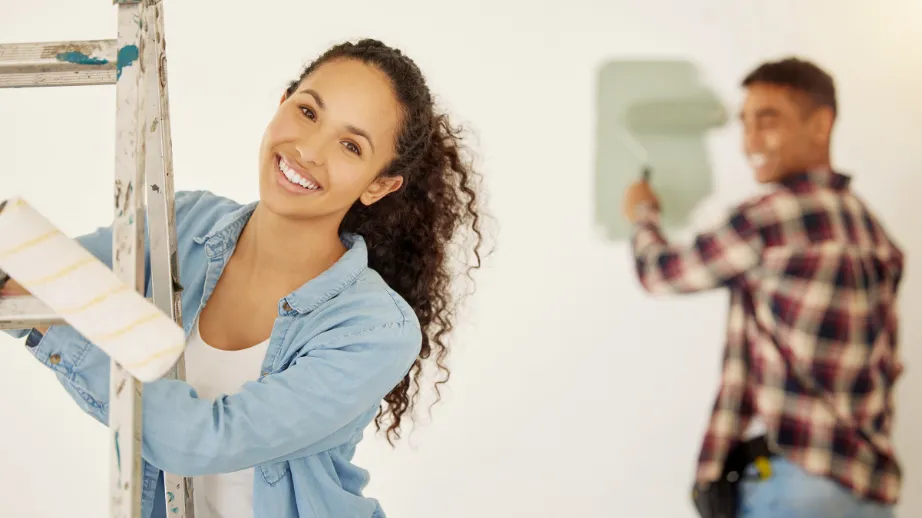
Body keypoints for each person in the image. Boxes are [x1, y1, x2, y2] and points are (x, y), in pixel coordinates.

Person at [1, 38, 485, 518]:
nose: (309, 150)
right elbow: (46, 274)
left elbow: (201, 441)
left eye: (350, 146)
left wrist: (48, 319)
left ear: (378, 185)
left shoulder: (377, 329)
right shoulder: (183, 224)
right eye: (308, 112)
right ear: (282, 103)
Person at [623, 57, 903, 518]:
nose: (750, 141)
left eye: (768, 121)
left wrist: (642, 214)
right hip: (866, 493)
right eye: (745, 123)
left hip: (797, 488)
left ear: (821, 124)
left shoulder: (768, 218)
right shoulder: (870, 229)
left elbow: (661, 273)